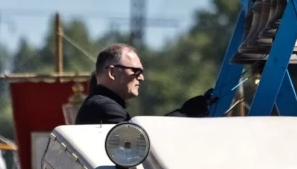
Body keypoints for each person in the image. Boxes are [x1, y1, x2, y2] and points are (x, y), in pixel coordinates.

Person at [75, 43, 217, 124]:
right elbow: (141, 142)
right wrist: (186, 113)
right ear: (112, 73)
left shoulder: (100, 104)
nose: (141, 78)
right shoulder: (105, 107)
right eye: (136, 71)